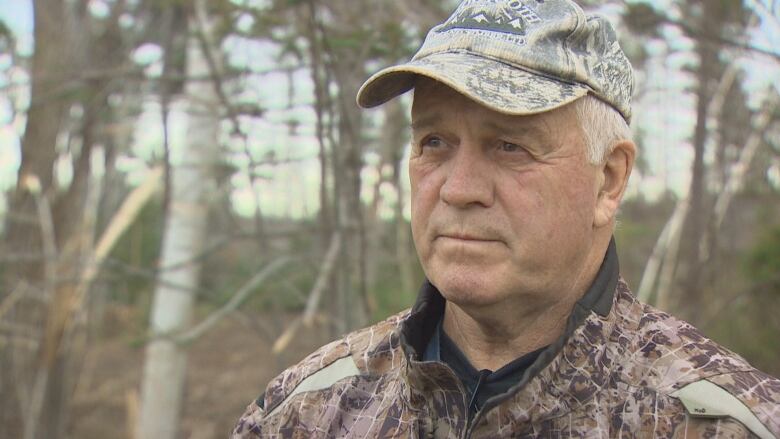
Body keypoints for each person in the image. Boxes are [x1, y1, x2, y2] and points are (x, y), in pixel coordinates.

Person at [232, 0, 780, 437]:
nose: (459, 189)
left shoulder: (715, 423)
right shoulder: (310, 411)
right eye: (435, 141)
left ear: (609, 180)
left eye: (511, 146)